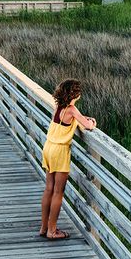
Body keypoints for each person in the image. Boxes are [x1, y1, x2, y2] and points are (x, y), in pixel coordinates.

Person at [38, 78, 96, 240]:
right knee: (58, 191)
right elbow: (88, 125)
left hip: (48, 147)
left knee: (48, 189)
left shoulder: (59, 107)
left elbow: (74, 120)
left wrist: (81, 119)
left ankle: (44, 228)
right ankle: (52, 230)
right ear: (74, 94)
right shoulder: (71, 109)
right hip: (60, 151)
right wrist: (92, 121)